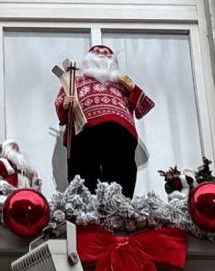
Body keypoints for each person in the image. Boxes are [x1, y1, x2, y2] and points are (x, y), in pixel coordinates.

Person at [55, 44, 154, 197]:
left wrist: (133, 88)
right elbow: (61, 102)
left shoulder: (121, 82)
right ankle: (85, 203)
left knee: (120, 170)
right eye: (96, 52)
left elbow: (144, 106)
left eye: (106, 53)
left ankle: (119, 203)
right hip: (84, 129)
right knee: (84, 171)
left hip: (119, 130)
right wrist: (66, 104)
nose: (101, 53)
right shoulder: (75, 81)